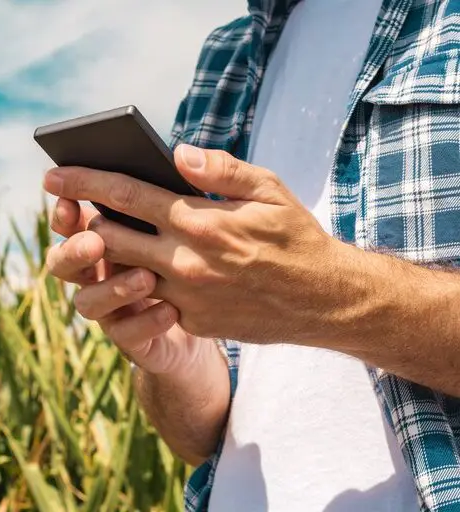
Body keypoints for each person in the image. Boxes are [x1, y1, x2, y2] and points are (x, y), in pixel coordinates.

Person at [43, 0, 460, 510]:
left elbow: (312, 298)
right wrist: (177, 358)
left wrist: (325, 298)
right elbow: (196, 439)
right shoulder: (227, 56)